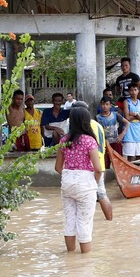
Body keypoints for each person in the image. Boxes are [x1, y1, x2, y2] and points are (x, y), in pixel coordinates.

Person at [54, 106, 102, 254]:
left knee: (70, 220)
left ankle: (70, 255)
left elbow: (57, 167)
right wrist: (93, 180)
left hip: (67, 181)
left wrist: (71, 176)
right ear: (86, 122)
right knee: (84, 221)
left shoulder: (64, 140)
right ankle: (84, 261)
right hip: (85, 182)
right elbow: (98, 168)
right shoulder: (89, 141)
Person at [73, 101, 114, 221]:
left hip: (87, 166)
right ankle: (110, 221)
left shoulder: (80, 126)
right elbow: (103, 146)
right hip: (99, 164)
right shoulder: (98, 125)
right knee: (101, 194)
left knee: (84, 197)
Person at [96, 97, 129, 167]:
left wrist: (122, 134)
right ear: (100, 105)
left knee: (118, 162)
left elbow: (127, 123)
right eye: (103, 104)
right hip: (104, 144)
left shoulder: (115, 114)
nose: (105, 106)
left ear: (110, 105)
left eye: (107, 104)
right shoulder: (98, 117)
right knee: (105, 163)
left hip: (116, 142)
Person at [121, 85, 140, 161]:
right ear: (129, 92)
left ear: (138, 91)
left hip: (138, 130)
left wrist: (135, 114)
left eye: (135, 90)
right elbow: (127, 117)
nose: (133, 92)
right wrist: (138, 115)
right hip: (129, 130)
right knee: (130, 156)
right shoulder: (126, 102)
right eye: (131, 90)